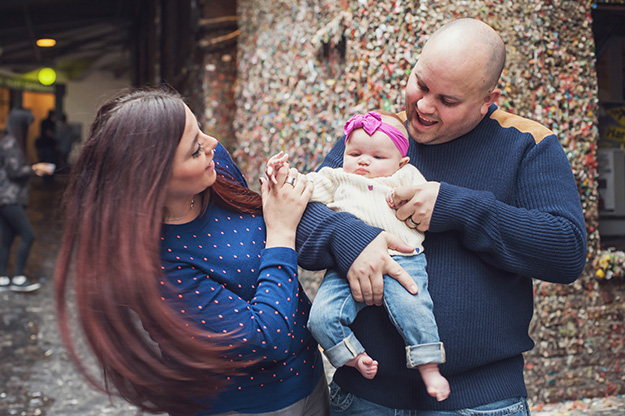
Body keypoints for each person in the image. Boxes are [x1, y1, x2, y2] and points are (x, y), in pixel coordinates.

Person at [294, 18, 587, 415]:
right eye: (421, 83)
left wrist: (459, 208)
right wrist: (350, 240)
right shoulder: (377, 135)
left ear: (487, 101)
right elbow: (301, 216)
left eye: (447, 101)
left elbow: (566, 251)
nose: (424, 106)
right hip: (366, 397)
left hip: (481, 401)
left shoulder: (528, 145)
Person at [54, 87, 329, 416]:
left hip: (312, 376)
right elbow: (267, 338)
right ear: (153, 180)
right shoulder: (157, 269)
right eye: (195, 148)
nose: (212, 143)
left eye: (200, 129)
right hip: (251, 406)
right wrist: (282, 229)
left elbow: (273, 213)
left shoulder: (212, 172)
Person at [266, 111, 448, 401]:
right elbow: (305, 190)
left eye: (377, 157)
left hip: (403, 258)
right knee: (321, 316)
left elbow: (429, 203)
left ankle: (429, 366)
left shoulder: (406, 177)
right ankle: (351, 355)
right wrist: (283, 175)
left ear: (400, 163)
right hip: (347, 263)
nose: (364, 161)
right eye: (355, 153)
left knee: (413, 309)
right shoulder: (338, 178)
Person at [0, 111, 54, 292]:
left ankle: (3, 279)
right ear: (20, 125)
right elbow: (14, 171)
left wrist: (32, 170)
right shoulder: (10, 143)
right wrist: (35, 168)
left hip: (10, 198)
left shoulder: (12, 142)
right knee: (28, 235)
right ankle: (18, 278)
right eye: (29, 124)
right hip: (9, 198)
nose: (31, 128)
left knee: (6, 239)